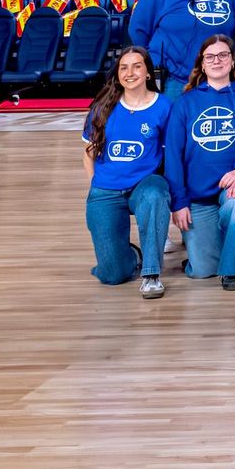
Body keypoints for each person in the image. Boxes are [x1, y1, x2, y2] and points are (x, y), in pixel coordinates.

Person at [163, 34, 235, 291]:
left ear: (232, 60)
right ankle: (216, 249)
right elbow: (172, 156)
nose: (217, 60)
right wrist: (179, 202)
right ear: (202, 64)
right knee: (202, 270)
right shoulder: (185, 103)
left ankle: (231, 271)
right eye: (210, 57)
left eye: (223, 55)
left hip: (233, 185)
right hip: (196, 197)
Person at [81, 46, 171, 298]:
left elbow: (171, 155)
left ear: (148, 73)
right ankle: (131, 254)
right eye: (123, 67)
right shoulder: (103, 105)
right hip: (106, 187)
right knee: (112, 275)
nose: (129, 72)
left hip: (144, 184)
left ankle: (152, 274)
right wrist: (95, 185)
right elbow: (89, 152)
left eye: (137, 66)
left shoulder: (164, 106)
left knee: (155, 193)